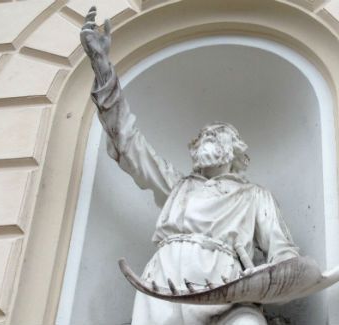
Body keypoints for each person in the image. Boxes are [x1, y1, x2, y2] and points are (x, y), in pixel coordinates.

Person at [80, 7, 300, 324]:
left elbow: (282, 252)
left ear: (234, 151)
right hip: (165, 281)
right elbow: (128, 144)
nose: (204, 137)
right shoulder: (177, 186)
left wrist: (284, 276)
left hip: (226, 284)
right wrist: (103, 70)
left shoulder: (255, 196)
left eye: (215, 135)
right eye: (201, 137)